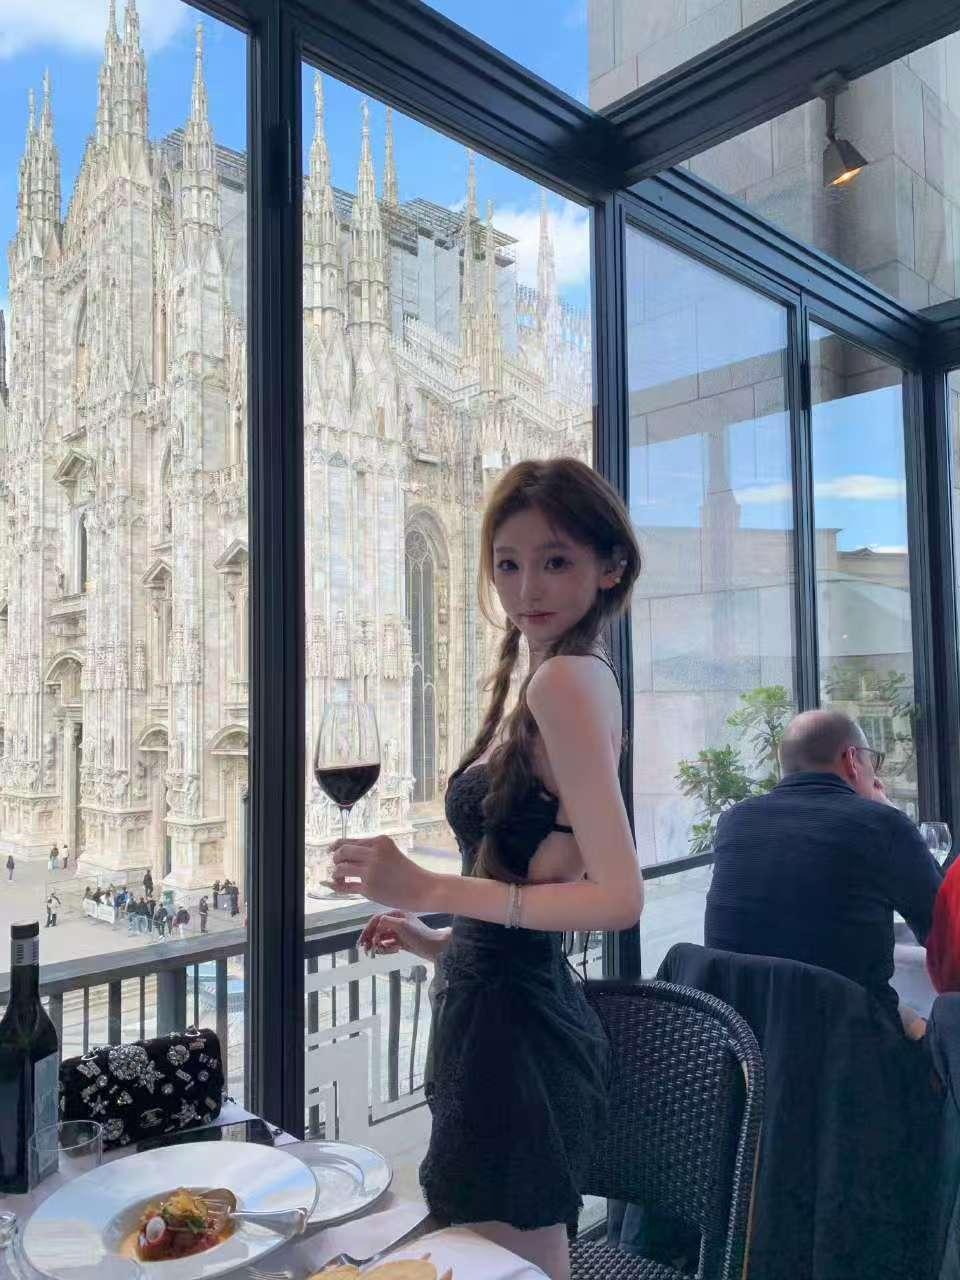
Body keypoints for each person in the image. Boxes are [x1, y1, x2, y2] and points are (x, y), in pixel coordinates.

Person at [331, 458, 643, 1280]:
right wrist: (438, 941)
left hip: (514, 1045)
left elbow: (618, 897)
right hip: (504, 1017)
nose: (526, 588)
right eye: (508, 564)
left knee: (507, 1266)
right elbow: (532, 894)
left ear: (609, 567)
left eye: (555, 561)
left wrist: (428, 886)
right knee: (494, 1257)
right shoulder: (569, 674)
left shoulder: (565, 682)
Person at [705, 709, 942, 1038]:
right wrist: (888, 811)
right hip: (851, 1043)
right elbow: (946, 934)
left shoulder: (734, 821)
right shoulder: (882, 825)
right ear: (852, 759)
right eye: (873, 760)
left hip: (743, 1044)